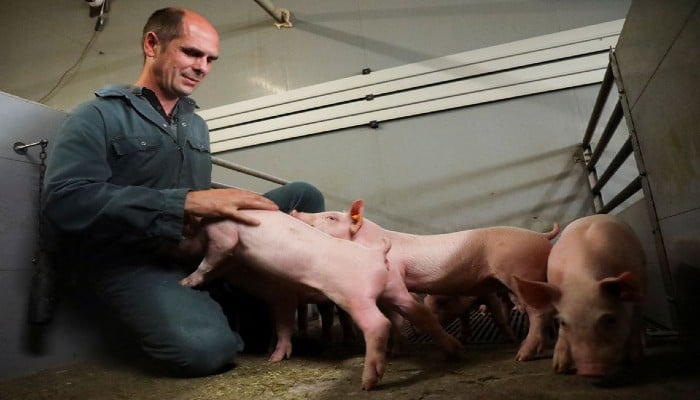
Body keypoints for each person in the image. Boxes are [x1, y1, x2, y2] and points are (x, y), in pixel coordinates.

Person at [41, 7, 325, 377]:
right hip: (138, 260)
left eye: (210, 59)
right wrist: (186, 202)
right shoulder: (96, 116)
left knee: (303, 196)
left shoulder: (196, 125)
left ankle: (248, 300)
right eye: (191, 53)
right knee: (205, 349)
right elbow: (65, 199)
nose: (203, 67)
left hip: (199, 246)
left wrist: (221, 206)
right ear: (152, 44)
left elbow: (201, 198)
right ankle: (236, 315)